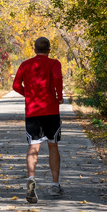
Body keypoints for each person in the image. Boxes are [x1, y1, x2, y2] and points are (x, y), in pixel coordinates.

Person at [12, 36, 64, 203]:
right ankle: (55, 184)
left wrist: (28, 94)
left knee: (33, 147)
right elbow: (57, 78)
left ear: (34, 50)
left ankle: (32, 179)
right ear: (49, 49)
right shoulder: (54, 63)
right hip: (51, 111)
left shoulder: (25, 65)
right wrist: (59, 96)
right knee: (53, 146)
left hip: (33, 112)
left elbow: (15, 85)